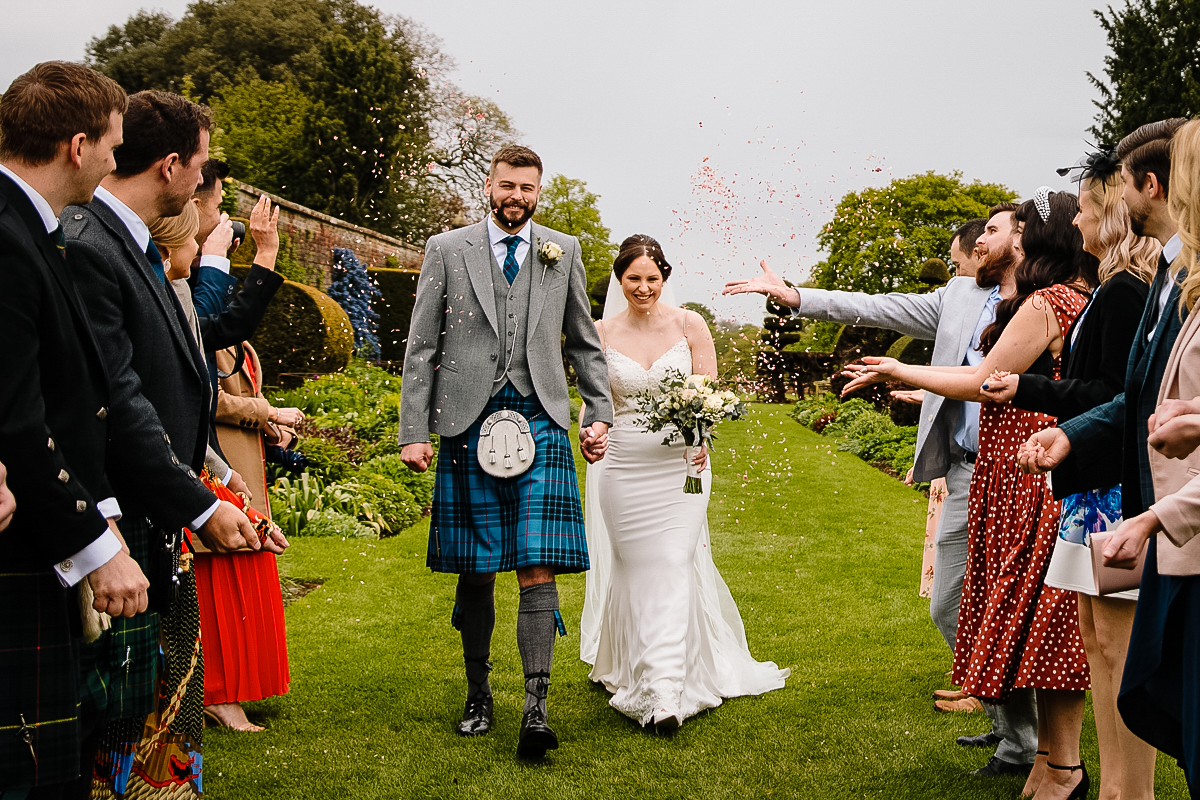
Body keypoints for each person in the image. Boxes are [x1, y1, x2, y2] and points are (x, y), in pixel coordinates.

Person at [723, 212, 1042, 772]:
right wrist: (795, 295)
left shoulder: (1045, 297)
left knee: (1007, 612)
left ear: (1021, 238)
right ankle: (1007, 726)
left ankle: (1021, 746)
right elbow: (872, 304)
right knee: (949, 606)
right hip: (967, 471)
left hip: (1021, 471)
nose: (982, 242)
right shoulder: (959, 295)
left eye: (994, 231)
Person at [842, 190, 1094, 799]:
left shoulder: (1047, 302)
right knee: (1012, 613)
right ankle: (1036, 752)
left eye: (1020, 229)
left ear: (1040, 239)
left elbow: (985, 384)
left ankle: (1052, 758)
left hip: (1027, 474)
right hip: (1010, 471)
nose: (1004, 239)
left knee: (1031, 619)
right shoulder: (1056, 298)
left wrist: (900, 370)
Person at [62, 89, 273, 799]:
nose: (206, 180)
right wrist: (200, 505)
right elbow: (117, 399)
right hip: (114, 517)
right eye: (204, 163)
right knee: (103, 726)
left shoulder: (130, 244)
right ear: (174, 163)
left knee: (140, 710)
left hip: (155, 513)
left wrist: (204, 491)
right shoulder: (91, 245)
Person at [399, 144, 613, 760]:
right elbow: (421, 348)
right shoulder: (447, 249)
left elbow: (585, 343)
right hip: (468, 422)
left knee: (537, 562)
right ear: (488, 186)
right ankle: (477, 693)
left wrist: (597, 412)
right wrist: (415, 430)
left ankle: (536, 707)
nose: (516, 197)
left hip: (542, 416)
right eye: (507, 186)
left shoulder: (562, 250)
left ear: (538, 191)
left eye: (527, 188)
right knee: (476, 566)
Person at [982, 152, 1159, 800]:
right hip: (1091, 494)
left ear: (1112, 212)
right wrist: (1028, 390)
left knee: (1114, 650)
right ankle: (1101, 781)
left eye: (1085, 206)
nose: (1077, 217)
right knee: (1098, 643)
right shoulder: (1112, 286)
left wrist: (1033, 395)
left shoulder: (1123, 291)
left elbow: (1115, 395)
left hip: (1113, 497)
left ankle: (1119, 788)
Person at [0, 60, 148, 799]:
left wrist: (105, 516)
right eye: (114, 146)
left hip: (48, 525)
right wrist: (96, 548)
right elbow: (18, 418)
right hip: (21, 538)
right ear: (77, 144)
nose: (118, 162)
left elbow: (65, 397)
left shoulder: (33, 228)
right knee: (28, 773)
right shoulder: (7, 236)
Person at [580, 235, 788, 731]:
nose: (644, 287)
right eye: (634, 279)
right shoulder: (600, 331)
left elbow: (708, 392)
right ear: (619, 280)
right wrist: (592, 432)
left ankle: (665, 693)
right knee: (634, 567)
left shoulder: (690, 324)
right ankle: (629, 664)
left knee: (673, 561)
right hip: (623, 465)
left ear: (665, 278)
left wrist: (703, 430)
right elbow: (595, 404)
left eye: (653, 278)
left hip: (684, 466)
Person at [1094, 117, 1200, 795]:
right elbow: (1137, 395)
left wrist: (1154, 518)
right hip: (1173, 529)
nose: (1101, 212)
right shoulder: (1177, 278)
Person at [197, 203, 297, 734]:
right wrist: (267, 412)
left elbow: (240, 386)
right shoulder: (190, 308)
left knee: (247, 574)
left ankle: (240, 686)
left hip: (244, 462)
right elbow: (203, 398)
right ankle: (219, 694)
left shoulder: (219, 316)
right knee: (222, 578)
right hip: (217, 464)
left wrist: (269, 424)